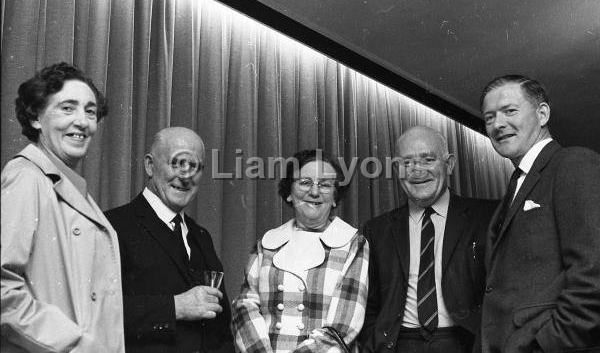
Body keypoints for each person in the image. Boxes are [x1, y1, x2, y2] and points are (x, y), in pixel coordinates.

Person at [1, 63, 125, 352]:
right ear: (35, 118)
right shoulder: (25, 178)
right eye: (67, 108)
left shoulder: (73, 189)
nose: (82, 121)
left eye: (90, 111)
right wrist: (76, 345)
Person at [479, 75, 600, 352]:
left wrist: (545, 345)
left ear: (542, 113)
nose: (498, 124)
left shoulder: (574, 163)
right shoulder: (515, 186)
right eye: (489, 117)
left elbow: (594, 274)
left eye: (510, 111)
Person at [359, 126, 498, 353]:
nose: (417, 170)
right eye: (407, 162)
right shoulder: (377, 230)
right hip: (399, 343)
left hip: (466, 343)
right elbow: (370, 305)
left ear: (449, 164)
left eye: (428, 159)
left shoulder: (487, 217)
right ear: (397, 169)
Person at [104, 127, 233, 352]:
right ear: (149, 165)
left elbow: (221, 329)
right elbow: (97, 312)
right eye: (176, 163)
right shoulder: (112, 226)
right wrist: (176, 307)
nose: (185, 176)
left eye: (193, 166)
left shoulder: (201, 236)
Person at [232, 149, 369, 352]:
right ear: (289, 192)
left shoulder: (353, 243)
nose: (314, 192)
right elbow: (245, 307)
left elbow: (342, 326)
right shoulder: (267, 242)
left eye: (324, 185)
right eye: (304, 182)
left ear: (334, 198)